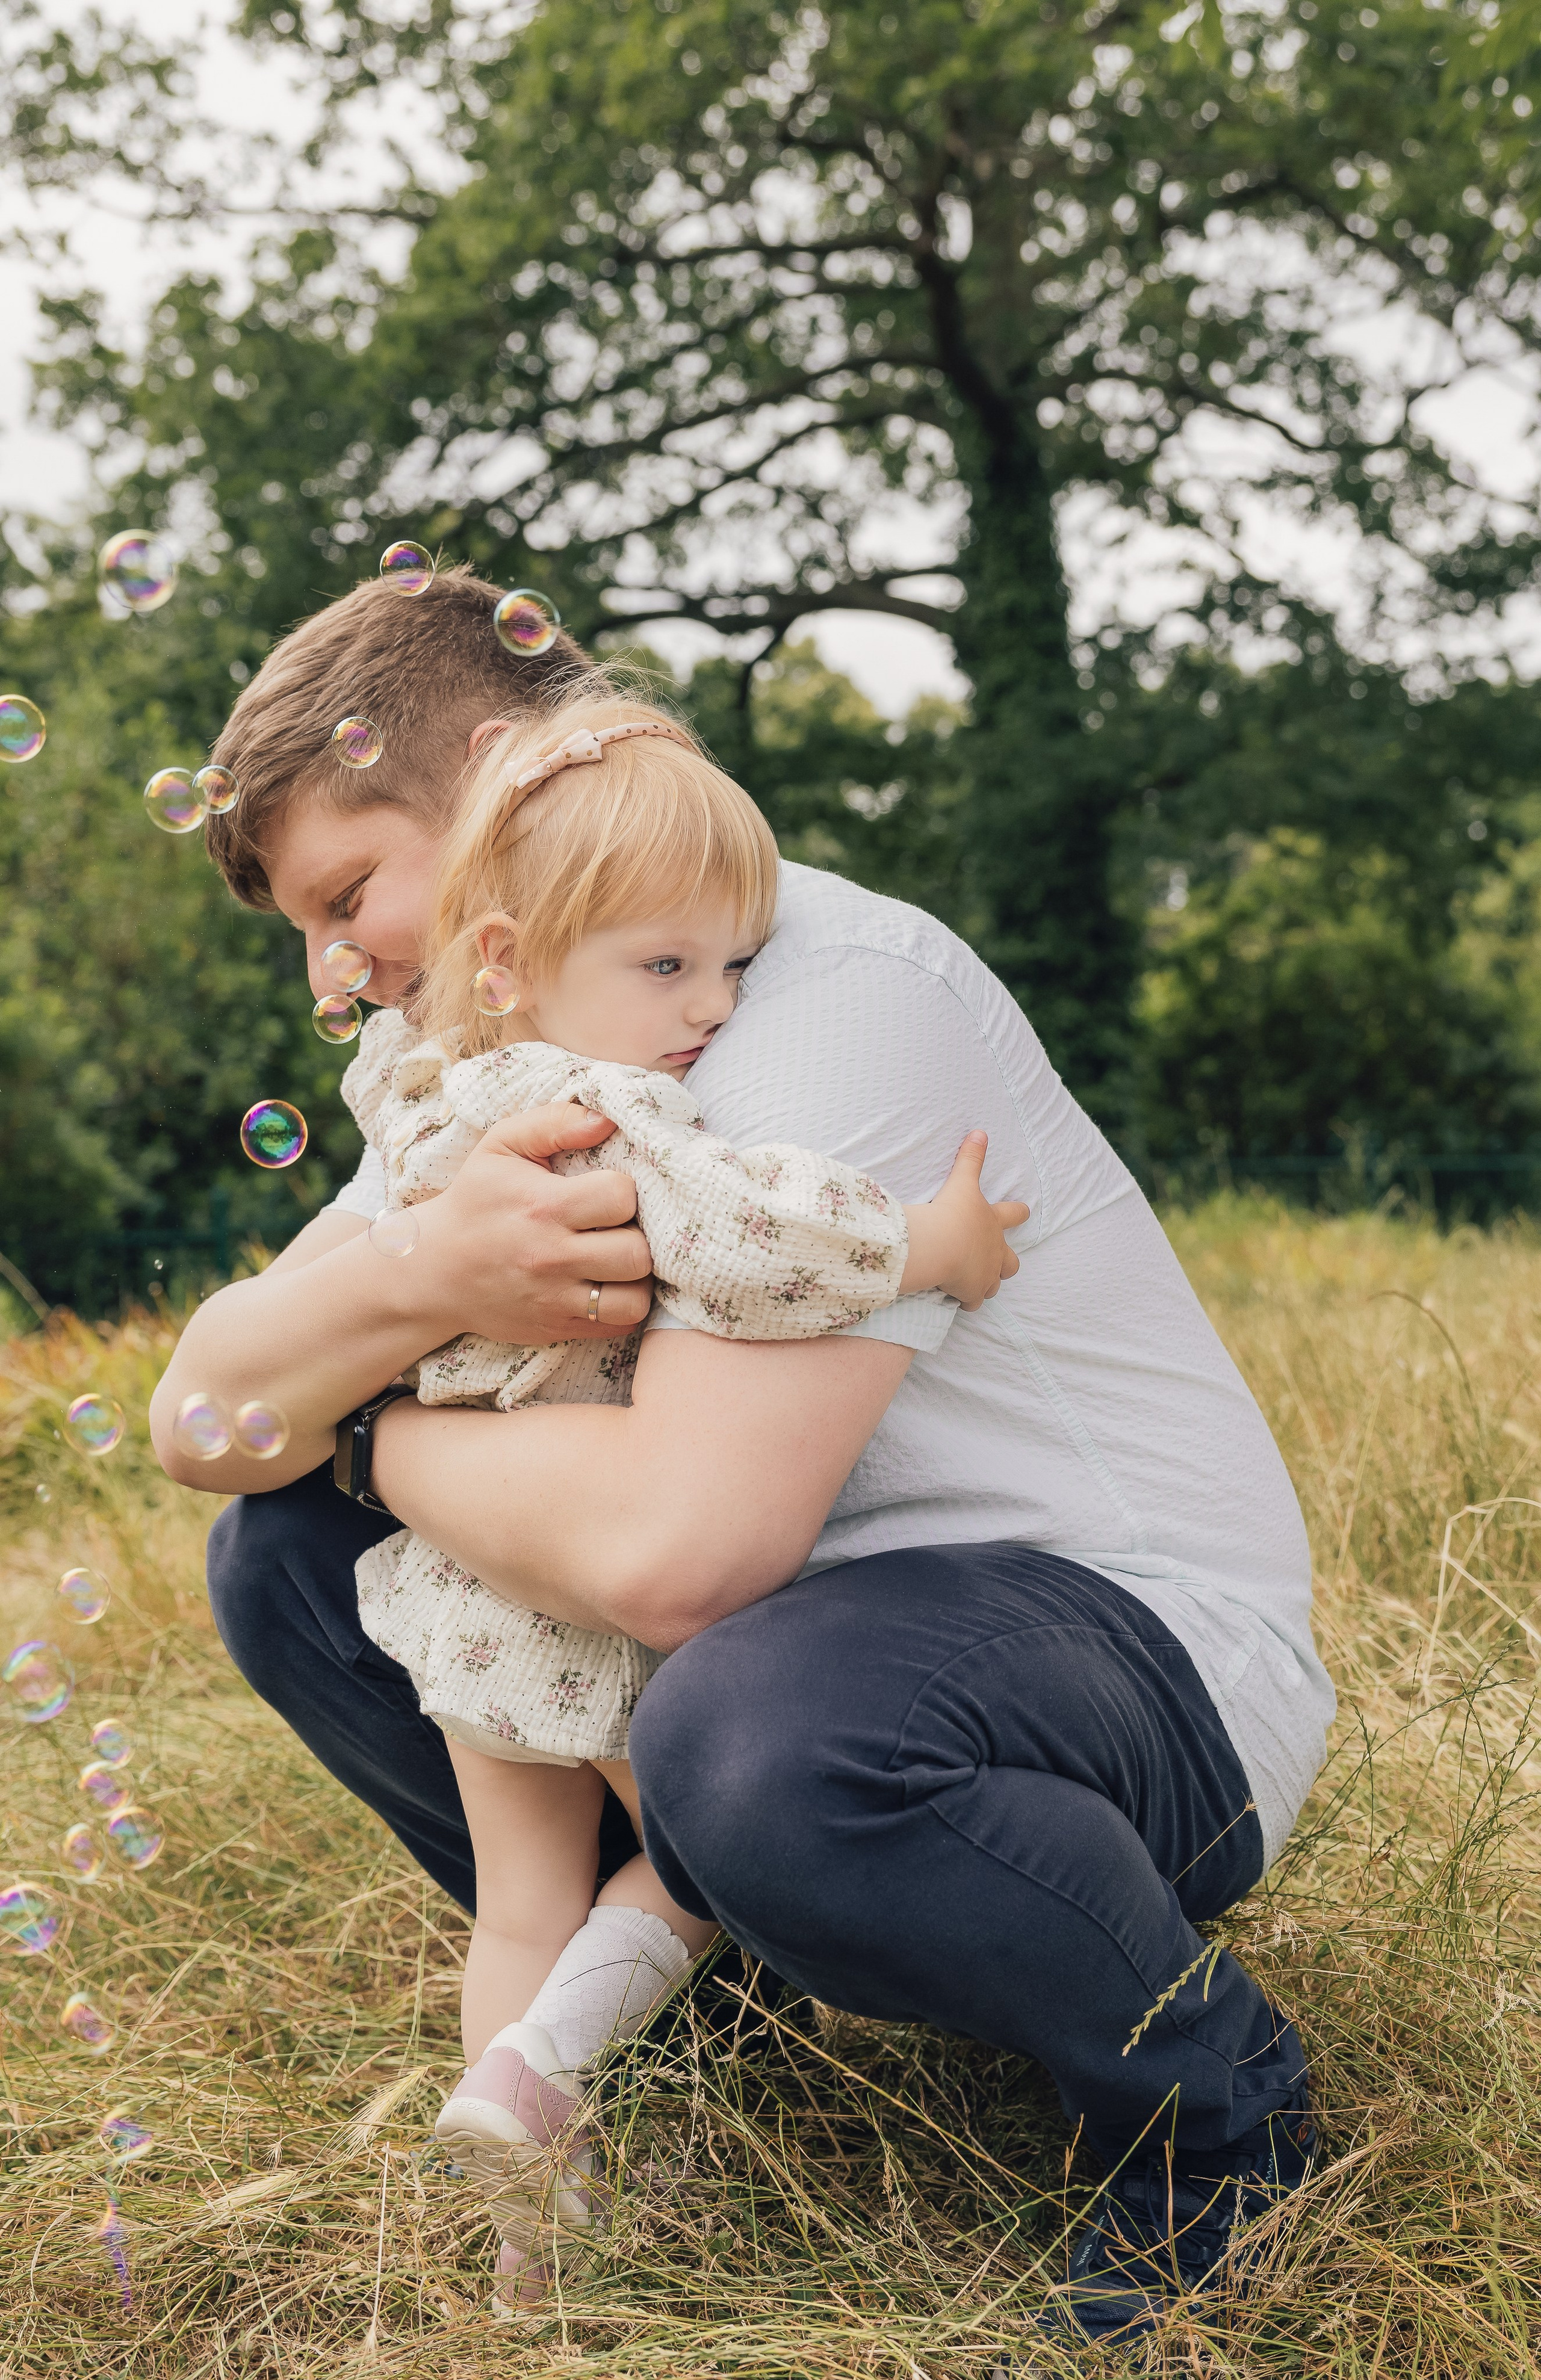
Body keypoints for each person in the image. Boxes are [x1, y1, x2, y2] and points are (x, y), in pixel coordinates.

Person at [153, 566, 1336, 2345]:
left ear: (493, 769)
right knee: (281, 1563)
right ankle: (700, 2042)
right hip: (831, 1649)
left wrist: (371, 1434)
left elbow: (684, 1552)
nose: (338, 976)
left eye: (346, 894)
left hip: (1137, 1654)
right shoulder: (498, 1039)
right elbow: (198, 1413)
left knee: (743, 1716)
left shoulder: (811, 990)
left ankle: (1215, 2111)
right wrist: (423, 1276)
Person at [329, 685, 1026, 2297]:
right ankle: (546, 2073)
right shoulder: (610, 1107)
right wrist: (935, 1247)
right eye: (666, 965)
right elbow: (753, 1240)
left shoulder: (423, 1093)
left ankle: (521, 2234)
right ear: (506, 959)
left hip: (468, 1601)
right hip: (586, 1590)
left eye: (731, 963)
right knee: (720, 1855)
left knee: (522, 1900)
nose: (712, 1008)